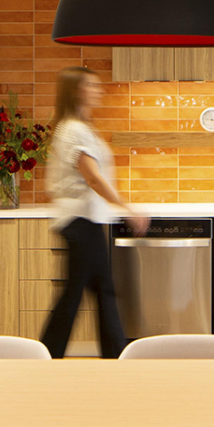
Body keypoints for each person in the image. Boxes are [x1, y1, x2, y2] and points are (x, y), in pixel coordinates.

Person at [39, 67, 145, 358]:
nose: (98, 91)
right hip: (80, 221)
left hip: (85, 220)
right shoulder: (74, 130)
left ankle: (112, 357)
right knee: (78, 296)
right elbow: (93, 177)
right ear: (76, 91)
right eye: (92, 86)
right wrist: (126, 209)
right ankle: (47, 356)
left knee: (99, 292)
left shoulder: (79, 127)